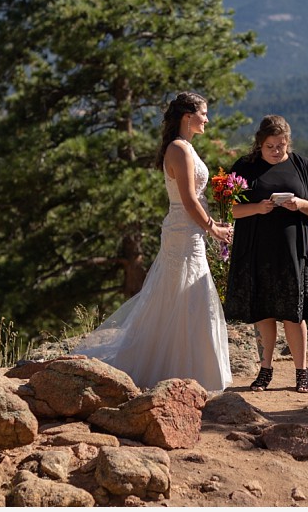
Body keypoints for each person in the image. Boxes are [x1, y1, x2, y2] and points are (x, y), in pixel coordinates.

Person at [72, 92, 233, 393]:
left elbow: (196, 199)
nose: (207, 119)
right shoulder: (179, 149)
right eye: (203, 113)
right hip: (183, 233)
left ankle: (192, 371)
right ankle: (176, 371)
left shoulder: (185, 147)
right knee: (181, 296)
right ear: (188, 116)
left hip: (188, 231)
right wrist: (214, 229)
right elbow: (187, 200)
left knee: (186, 295)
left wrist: (214, 221)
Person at [224, 115, 308, 394]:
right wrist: (257, 208)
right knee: (262, 312)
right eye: (270, 146)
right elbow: (229, 210)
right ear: (259, 144)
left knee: (294, 314)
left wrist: (300, 204)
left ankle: (302, 371)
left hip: (293, 251)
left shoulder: (301, 165)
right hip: (255, 250)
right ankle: (265, 369)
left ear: (288, 143)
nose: (276, 151)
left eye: (281, 145)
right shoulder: (245, 167)